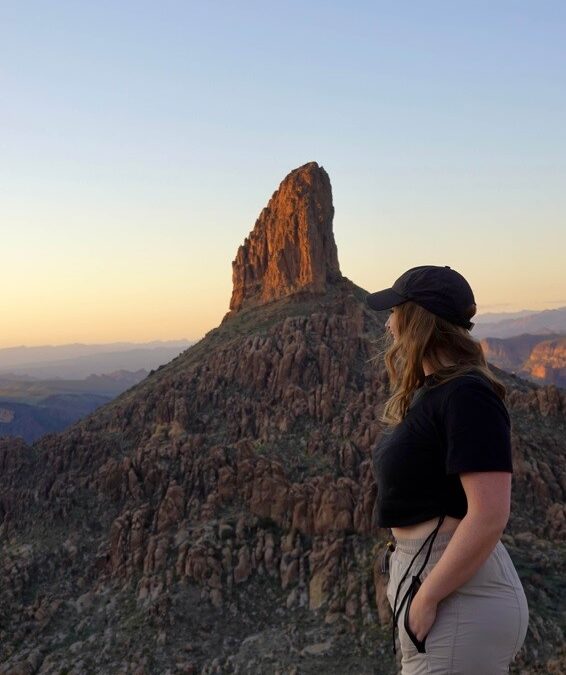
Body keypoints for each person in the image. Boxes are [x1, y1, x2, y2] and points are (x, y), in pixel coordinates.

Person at [366, 265, 529, 675]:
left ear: (417, 320)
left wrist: (426, 599)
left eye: (395, 312)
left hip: (457, 592)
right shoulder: (435, 392)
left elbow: (490, 513)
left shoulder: (467, 394)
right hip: (435, 582)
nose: (388, 325)